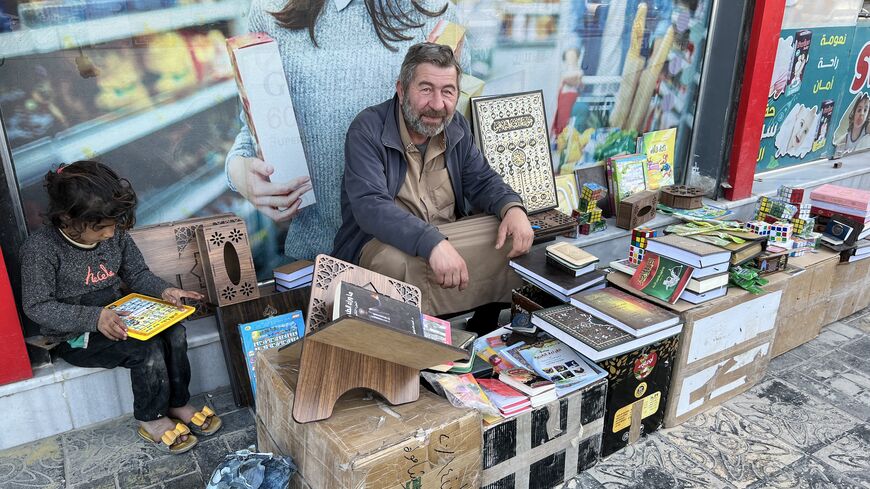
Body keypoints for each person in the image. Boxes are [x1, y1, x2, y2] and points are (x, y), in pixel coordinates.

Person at [224, 0, 460, 262]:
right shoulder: (271, 11)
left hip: (414, 256)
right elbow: (252, 127)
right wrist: (239, 171)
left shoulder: (438, 12)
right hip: (314, 259)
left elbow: (454, 131)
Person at [20, 161, 222, 455]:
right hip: (76, 334)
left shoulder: (114, 232)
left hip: (124, 316)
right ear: (67, 218)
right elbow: (37, 306)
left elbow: (136, 273)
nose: (109, 234)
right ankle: (151, 417)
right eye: (101, 228)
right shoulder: (41, 249)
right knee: (144, 351)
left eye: (113, 226)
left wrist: (164, 290)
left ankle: (178, 402)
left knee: (175, 332)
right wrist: (94, 317)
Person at [332, 42, 534, 328]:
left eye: (448, 92)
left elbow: (482, 180)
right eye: (426, 89)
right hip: (386, 243)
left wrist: (512, 207)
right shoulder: (368, 129)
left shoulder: (456, 127)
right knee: (391, 263)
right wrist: (432, 243)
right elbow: (370, 207)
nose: (438, 104)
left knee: (509, 232)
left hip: (447, 236)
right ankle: (403, 341)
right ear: (402, 90)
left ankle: (484, 323)